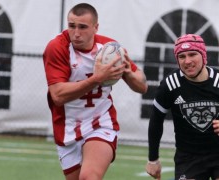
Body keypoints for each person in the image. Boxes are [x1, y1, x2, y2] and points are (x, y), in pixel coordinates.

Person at [43, 3, 148, 180]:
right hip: (67, 127)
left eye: (82, 27)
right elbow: (58, 96)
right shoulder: (57, 48)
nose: (76, 33)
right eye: (71, 26)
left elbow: (142, 86)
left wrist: (128, 73)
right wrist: (96, 79)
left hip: (100, 123)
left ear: (95, 27)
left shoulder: (109, 49)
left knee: (89, 177)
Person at [145, 34, 219, 180]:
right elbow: (155, 120)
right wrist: (153, 159)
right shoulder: (170, 85)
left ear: (204, 56)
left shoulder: (218, 81)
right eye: (182, 56)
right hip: (189, 157)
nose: (187, 61)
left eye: (193, 54)